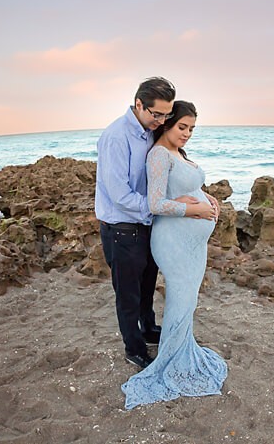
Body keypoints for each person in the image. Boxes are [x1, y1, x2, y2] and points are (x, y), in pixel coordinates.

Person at [95, 77, 218, 370]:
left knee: (148, 284)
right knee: (128, 293)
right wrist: (165, 209)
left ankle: (149, 329)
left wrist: (198, 196)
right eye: (157, 114)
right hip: (122, 228)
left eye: (166, 115)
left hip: (149, 227)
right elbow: (120, 194)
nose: (162, 121)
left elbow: (168, 176)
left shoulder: (149, 131)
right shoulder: (116, 137)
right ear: (139, 104)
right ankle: (134, 348)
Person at [121, 100, 228, 410]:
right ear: (167, 124)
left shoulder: (178, 153)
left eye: (192, 129)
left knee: (189, 299)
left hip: (193, 243)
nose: (188, 134)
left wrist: (204, 196)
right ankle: (171, 360)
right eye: (183, 127)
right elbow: (155, 204)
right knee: (181, 298)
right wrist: (194, 208)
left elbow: (182, 186)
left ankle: (181, 348)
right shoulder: (157, 155)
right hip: (172, 242)